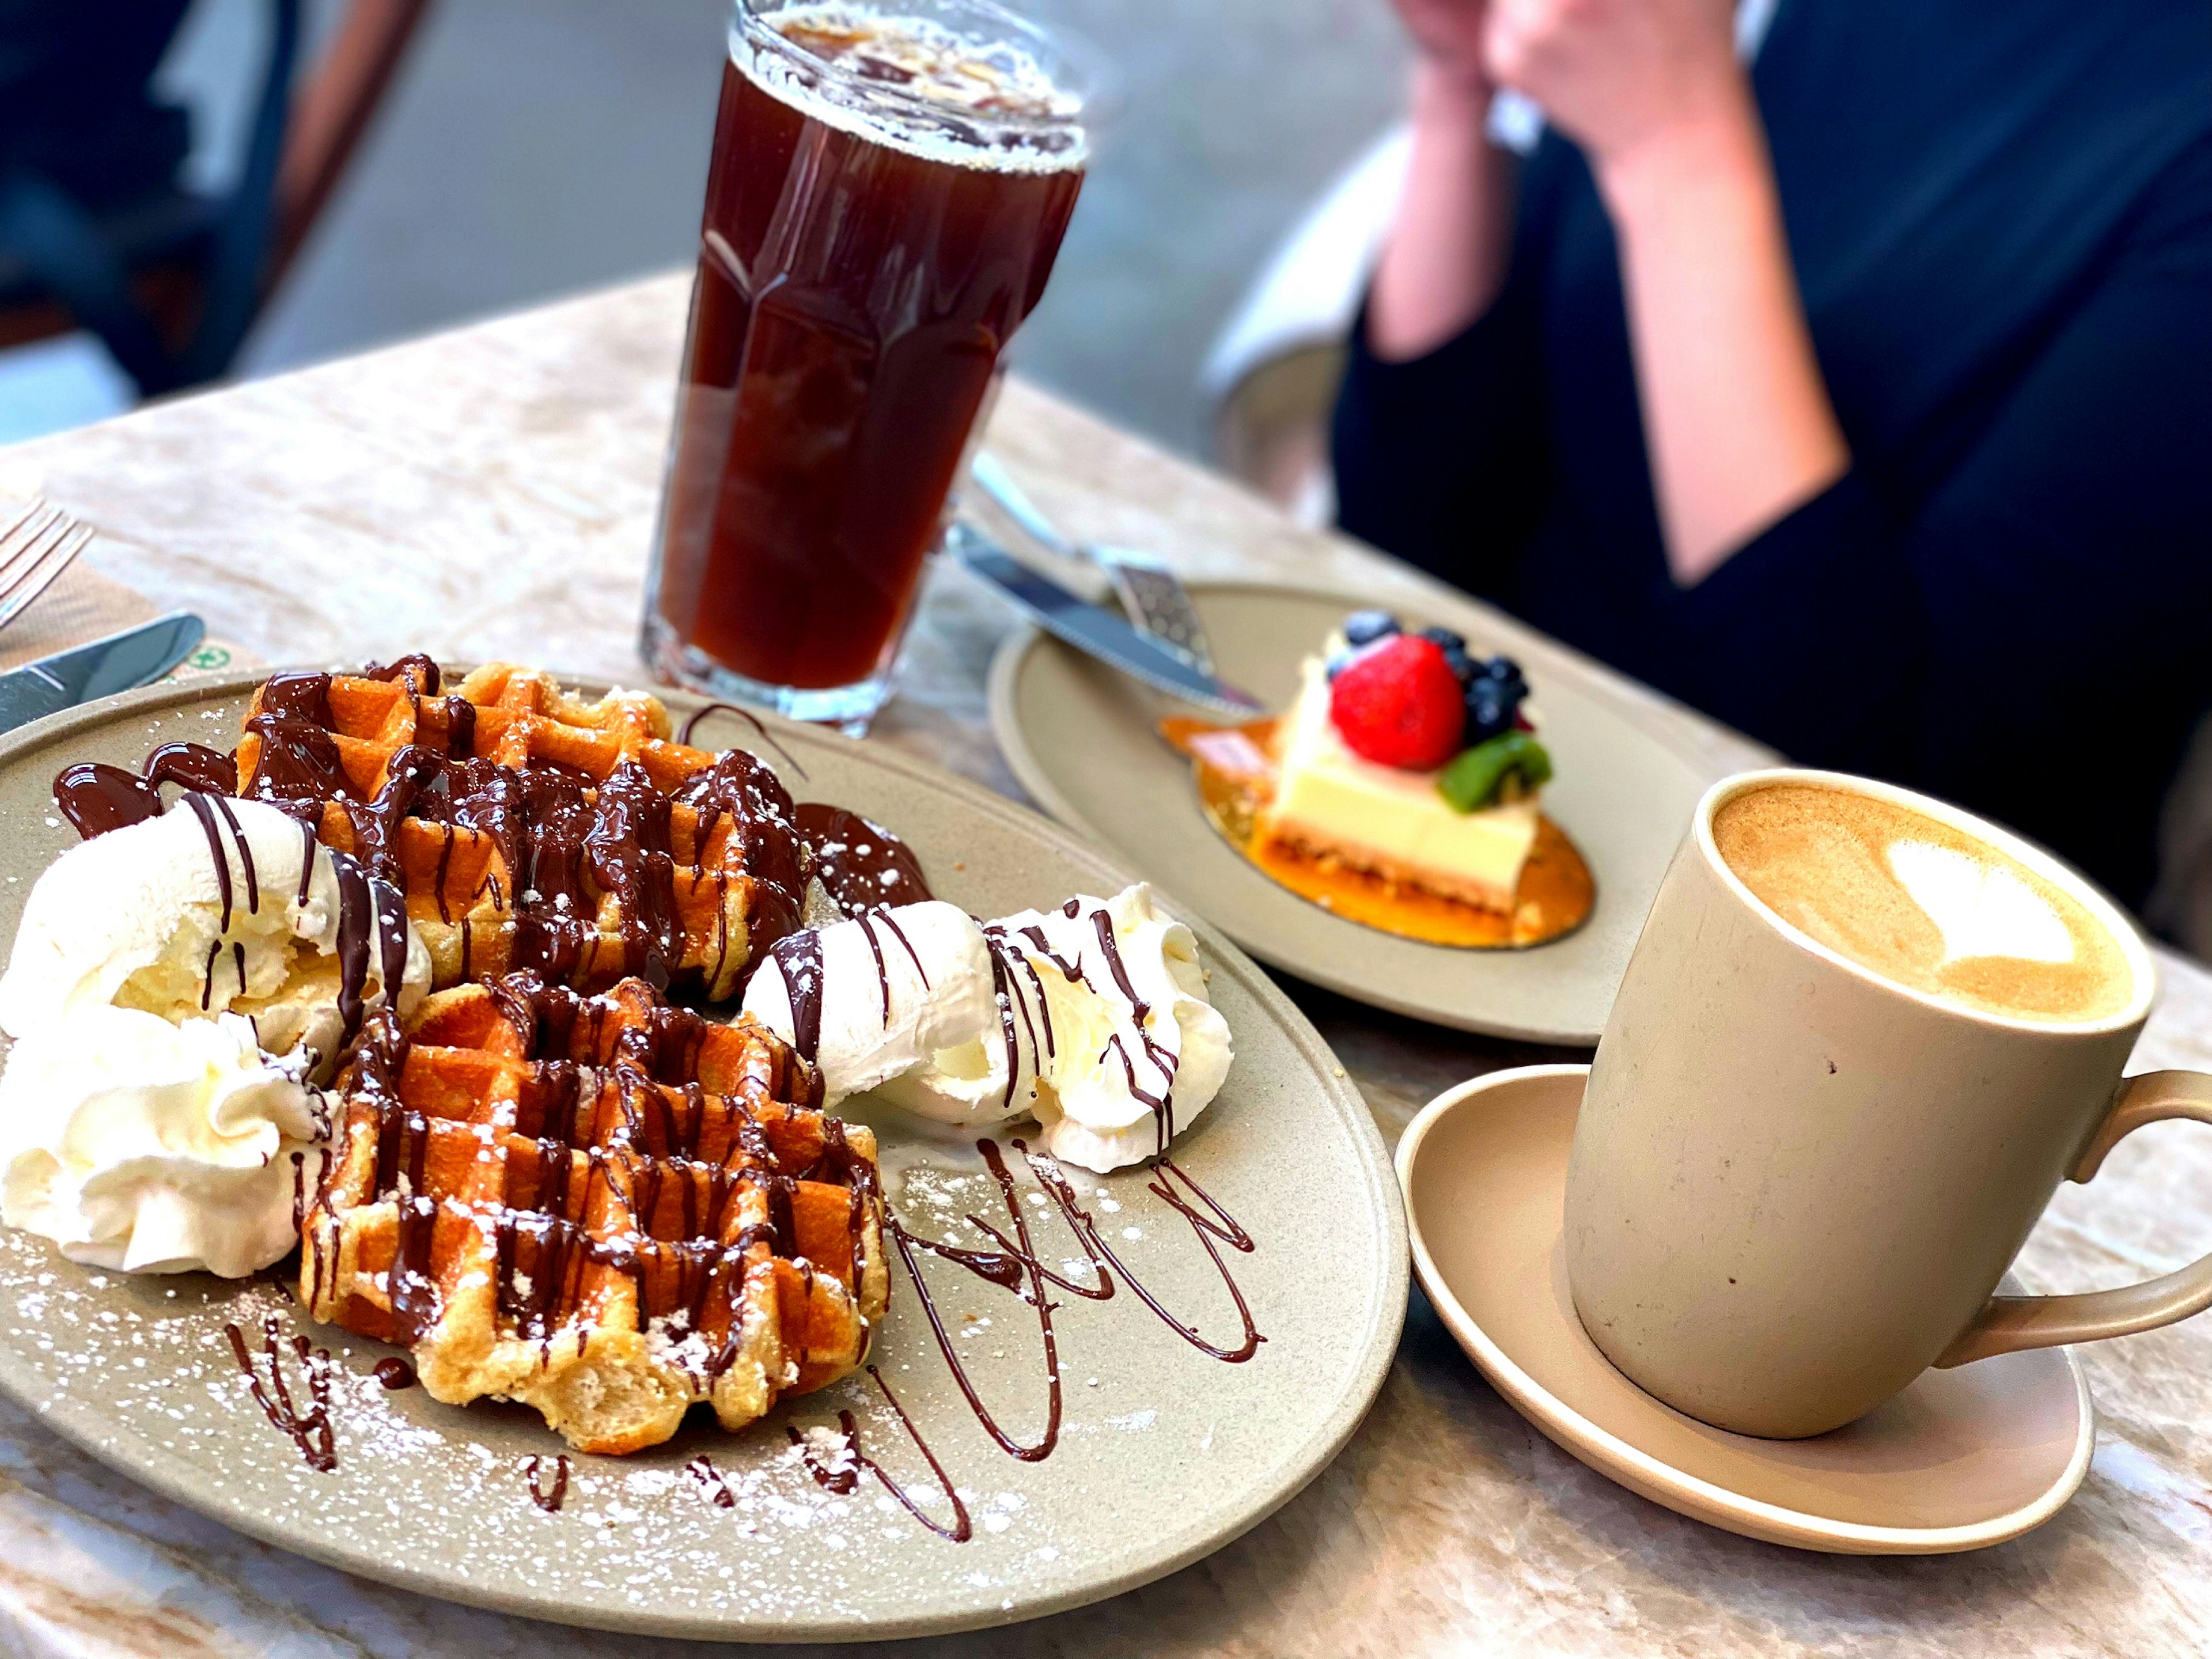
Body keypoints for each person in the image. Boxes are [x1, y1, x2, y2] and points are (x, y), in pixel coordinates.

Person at [1331, 0, 2212, 915]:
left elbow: (1882, 807)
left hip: (1823, 966)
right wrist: (1460, 77)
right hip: (1463, 812)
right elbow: (1406, 533)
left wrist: (1677, 153)